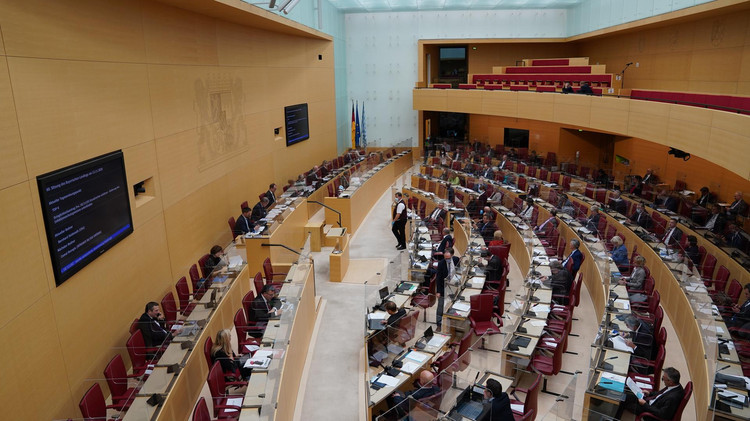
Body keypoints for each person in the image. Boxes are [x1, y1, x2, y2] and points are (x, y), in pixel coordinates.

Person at [620, 367, 684, 419]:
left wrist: (645, 404)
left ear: (670, 382)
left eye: (663, 379)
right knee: (627, 396)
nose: (663, 381)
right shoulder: (675, 386)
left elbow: (662, 414)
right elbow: (661, 393)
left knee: (624, 402)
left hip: (650, 411)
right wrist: (649, 393)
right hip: (650, 401)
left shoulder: (672, 398)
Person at [435, 248, 459, 332]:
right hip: (443, 287)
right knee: (440, 307)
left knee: (452, 304)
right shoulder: (441, 263)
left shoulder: (456, 260)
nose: (447, 259)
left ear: (452, 255)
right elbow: (438, 278)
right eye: (445, 258)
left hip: (453, 286)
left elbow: (459, 271)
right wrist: (438, 291)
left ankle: (451, 323)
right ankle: (438, 324)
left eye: (448, 258)